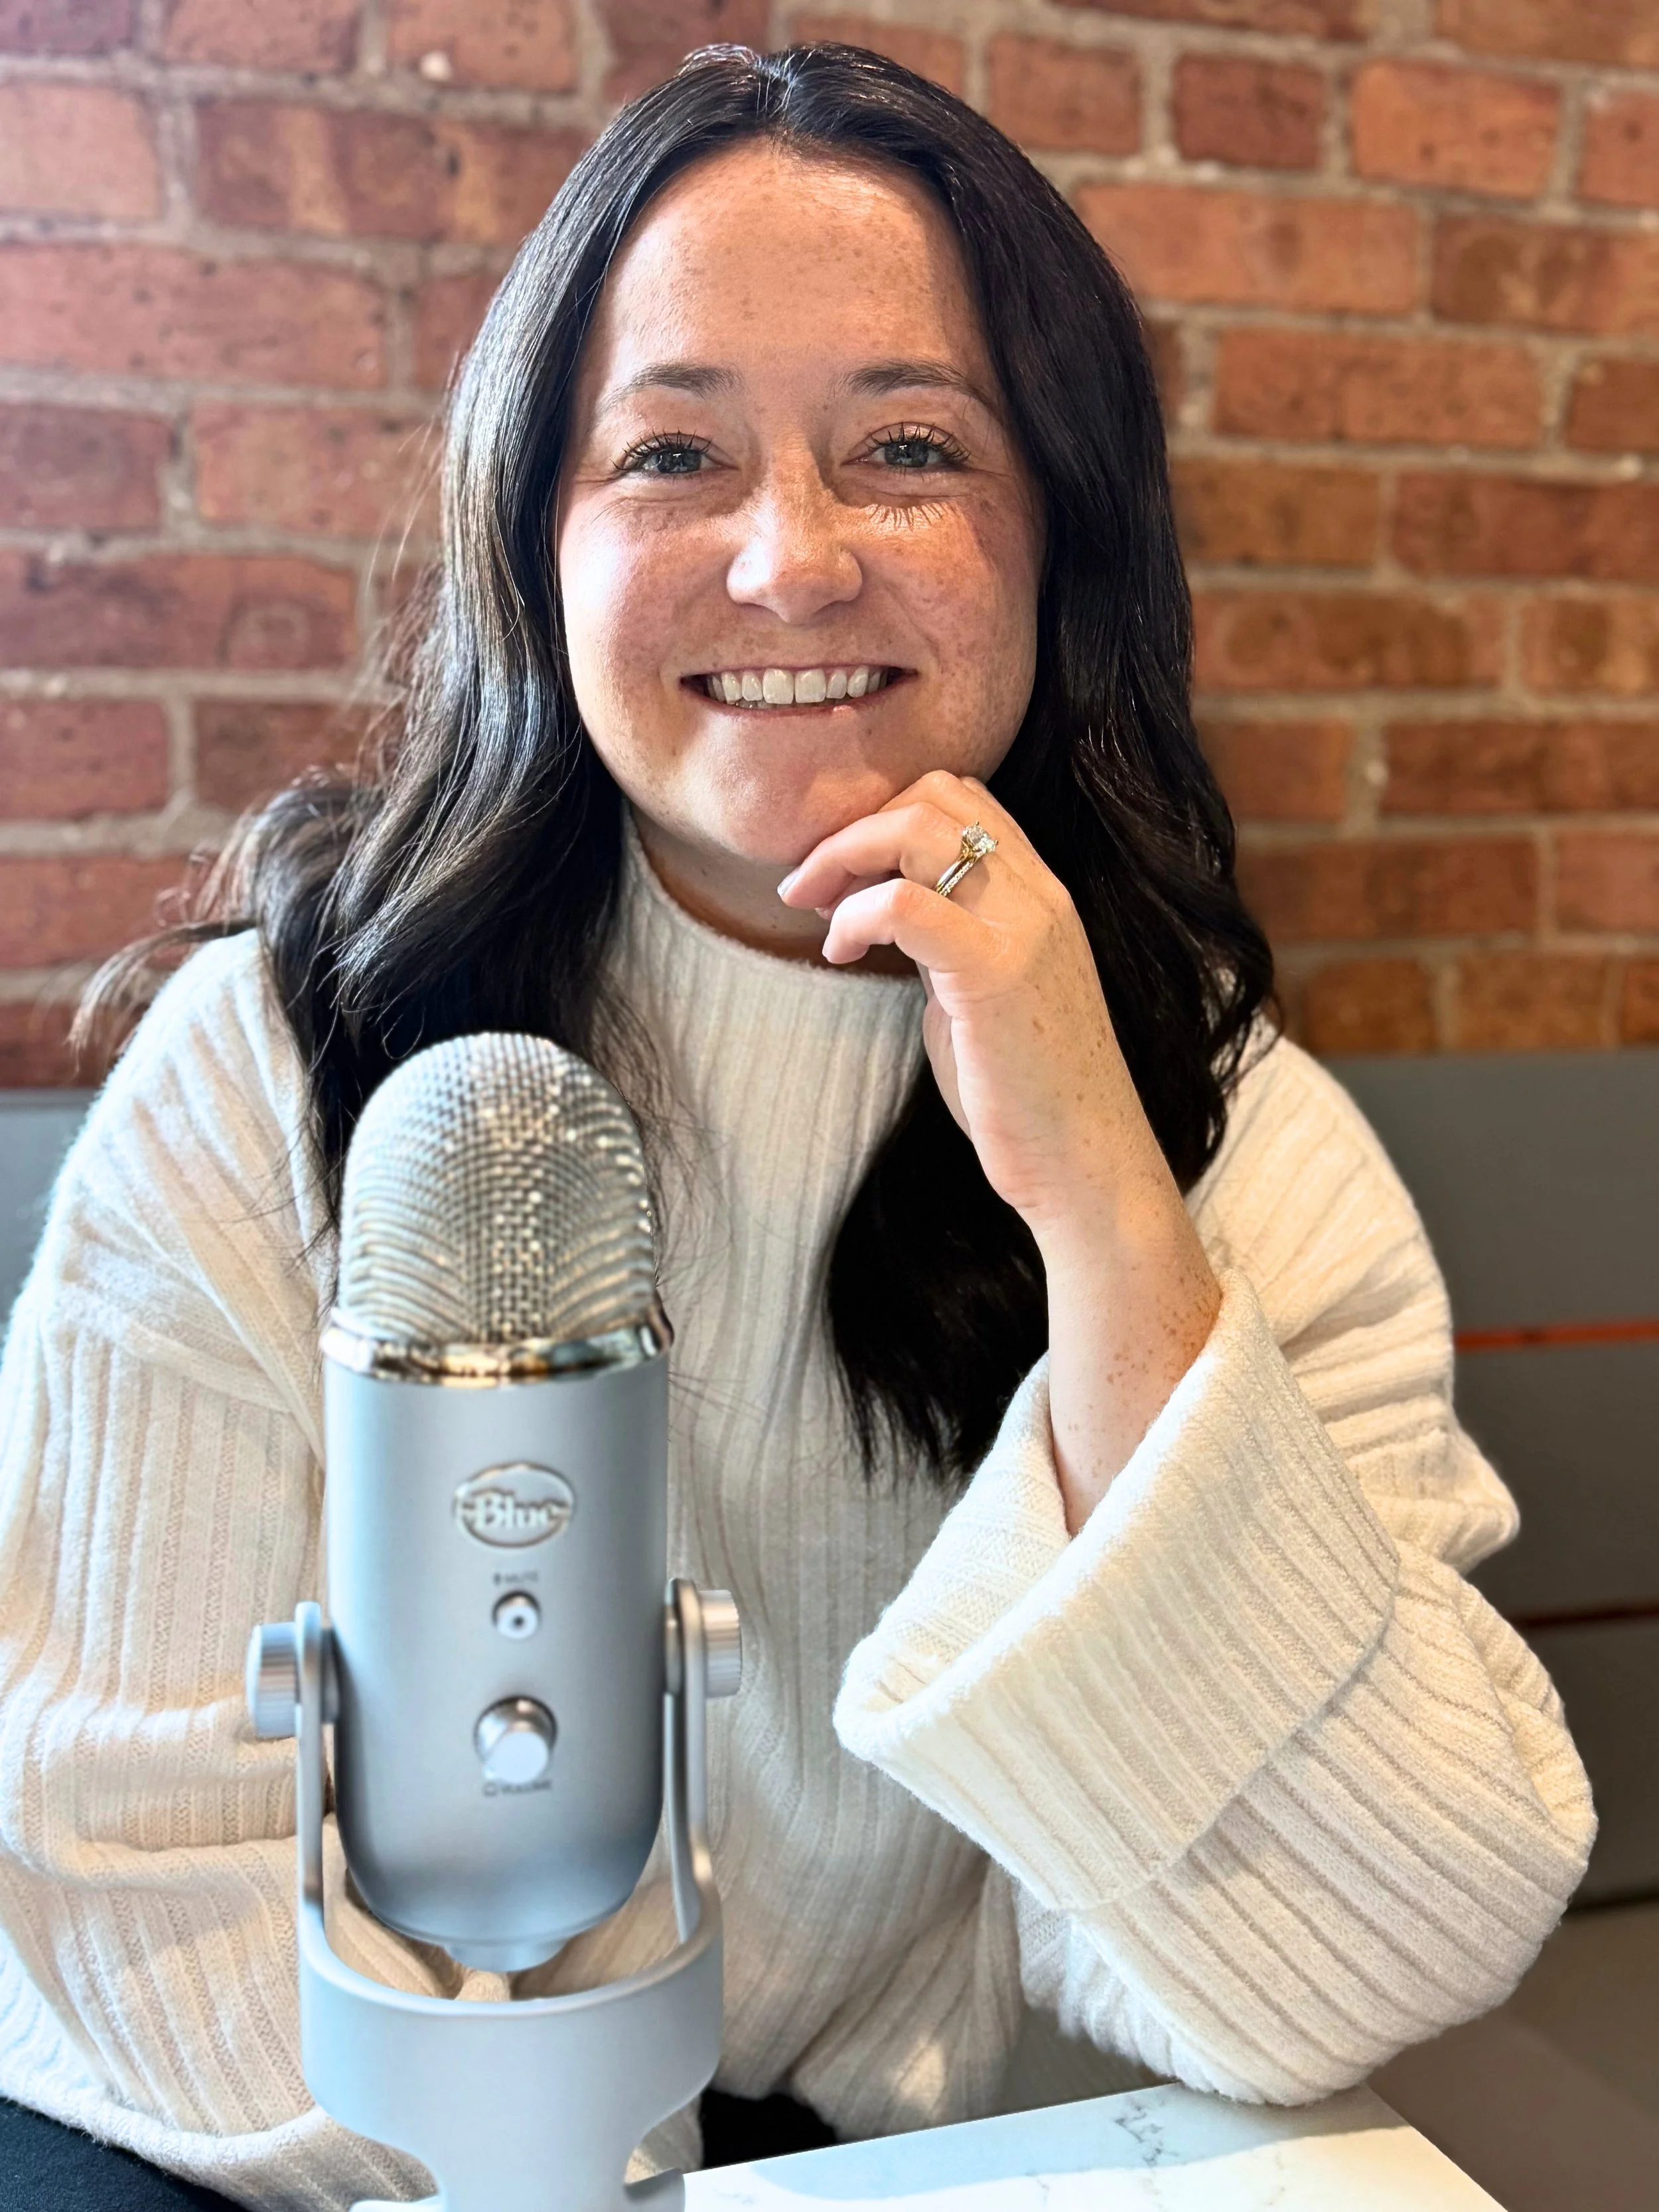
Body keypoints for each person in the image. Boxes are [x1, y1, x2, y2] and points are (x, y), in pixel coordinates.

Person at [0, 42, 1593, 2211]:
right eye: (670, 453)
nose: (786, 560)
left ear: (1063, 545)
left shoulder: (1242, 1147)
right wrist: (590, 2169)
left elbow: (1383, 1936)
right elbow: (123, 1855)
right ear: (534, 543)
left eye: (908, 447)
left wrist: (1109, 1211)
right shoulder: (280, 1072)